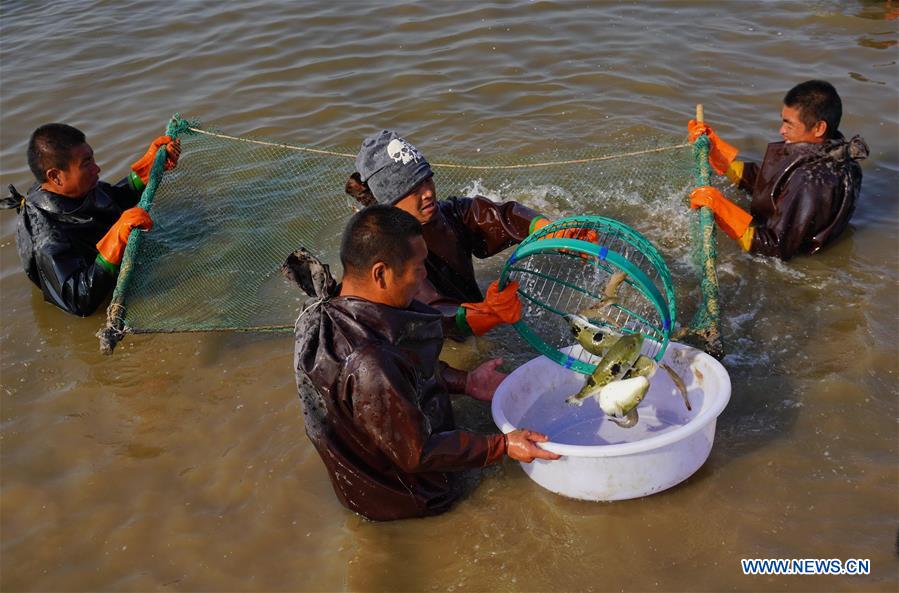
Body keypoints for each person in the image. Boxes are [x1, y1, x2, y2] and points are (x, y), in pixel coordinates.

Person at [285, 205, 560, 521]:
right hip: (409, 501)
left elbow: (398, 379)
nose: (425, 276)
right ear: (381, 273)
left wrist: (466, 382)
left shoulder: (329, 311)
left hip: (366, 484)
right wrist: (502, 445)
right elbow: (418, 452)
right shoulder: (370, 363)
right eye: (418, 267)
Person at [345, 129, 573, 336]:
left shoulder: (447, 213)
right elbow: (426, 311)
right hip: (438, 341)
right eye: (414, 188)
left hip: (470, 314)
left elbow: (498, 216)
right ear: (390, 202)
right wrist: (485, 314)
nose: (427, 193)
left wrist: (546, 229)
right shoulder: (390, 252)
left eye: (427, 180)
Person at [3, 123, 180, 316]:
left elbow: (111, 200)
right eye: (86, 163)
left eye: (92, 158)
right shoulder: (46, 236)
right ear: (55, 176)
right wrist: (113, 244)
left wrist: (142, 175)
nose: (97, 168)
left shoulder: (74, 188)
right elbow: (79, 302)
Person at [687, 80, 868, 261]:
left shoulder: (808, 182)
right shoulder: (836, 151)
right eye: (782, 121)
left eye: (789, 125)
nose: (781, 130)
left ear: (819, 128)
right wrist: (717, 152)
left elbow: (775, 248)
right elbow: (773, 182)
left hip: (795, 260)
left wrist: (723, 210)